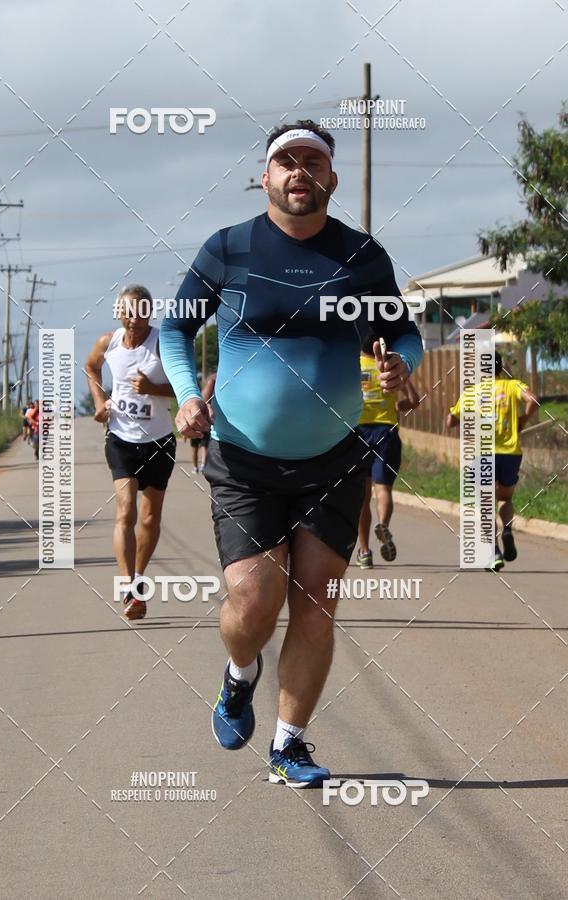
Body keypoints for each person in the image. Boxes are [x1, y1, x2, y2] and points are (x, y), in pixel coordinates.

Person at [160, 120, 423, 787]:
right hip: (244, 455)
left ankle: (290, 745)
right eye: (286, 161)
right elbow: (174, 325)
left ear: (331, 177)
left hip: (335, 454)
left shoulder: (362, 257)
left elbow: (405, 338)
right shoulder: (230, 248)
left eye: (313, 161)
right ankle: (240, 671)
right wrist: (189, 395)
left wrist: (399, 371)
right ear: (265, 174)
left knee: (317, 598)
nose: (299, 172)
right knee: (252, 598)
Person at [85, 285, 176, 620]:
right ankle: (129, 588)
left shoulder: (163, 343)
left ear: (149, 313)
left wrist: (153, 389)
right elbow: (91, 368)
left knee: (150, 518)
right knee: (126, 513)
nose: (132, 318)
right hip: (121, 438)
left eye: (139, 311)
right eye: (126, 311)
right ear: (118, 313)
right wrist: (99, 402)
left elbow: (186, 384)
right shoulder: (107, 343)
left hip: (159, 440)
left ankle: (139, 575)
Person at [447, 351, 538, 570]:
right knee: (505, 498)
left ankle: (493, 553)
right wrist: (522, 421)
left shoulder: (471, 393)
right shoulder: (512, 385)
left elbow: (451, 421)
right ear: (501, 367)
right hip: (510, 453)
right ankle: (506, 529)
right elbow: (534, 400)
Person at [356, 342, 420, 569]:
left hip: (359, 432)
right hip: (386, 431)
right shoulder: (390, 367)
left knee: (363, 496)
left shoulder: (351, 366)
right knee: (383, 490)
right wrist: (397, 406)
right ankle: (383, 524)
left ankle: (364, 553)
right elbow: (414, 400)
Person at [190, 373, 216, 473]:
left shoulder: (204, 396)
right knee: (197, 448)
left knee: (202, 447)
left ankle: (201, 466)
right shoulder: (194, 398)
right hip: (197, 425)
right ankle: (198, 466)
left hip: (203, 425)